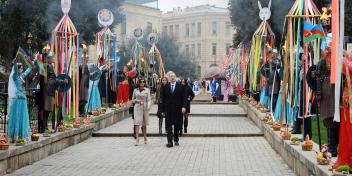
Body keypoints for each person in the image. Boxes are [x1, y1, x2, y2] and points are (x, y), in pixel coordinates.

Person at [316, 49, 339, 157]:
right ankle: (331, 147)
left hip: (334, 92)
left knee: (334, 121)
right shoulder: (322, 61)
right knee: (328, 120)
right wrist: (319, 93)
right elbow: (318, 77)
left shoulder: (336, 59)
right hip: (326, 93)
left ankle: (332, 147)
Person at [7, 59, 33, 142]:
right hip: (17, 101)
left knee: (23, 118)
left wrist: (34, 61)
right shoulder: (15, 77)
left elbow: (29, 70)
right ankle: (15, 136)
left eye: (22, 68)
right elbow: (14, 71)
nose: (22, 70)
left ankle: (22, 136)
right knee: (17, 117)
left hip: (23, 100)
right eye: (20, 68)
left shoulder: (21, 76)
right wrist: (14, 64)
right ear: (18, 69)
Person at [160, 72, 187, 147]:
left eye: (173, 76)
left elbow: (184, 98)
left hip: (178, 110)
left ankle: (176, 138)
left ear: (176, 77)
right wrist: (162, 110)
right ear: (169, 78)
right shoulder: (166, 87)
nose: (172, 78)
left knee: (177, 125)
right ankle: (169, 141)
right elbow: (163, 99)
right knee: (168, 126)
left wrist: (184, 107)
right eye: (171, 76)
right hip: (168, 110)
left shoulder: (181, 86)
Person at [132, 78, 151, 146]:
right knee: (137, 123)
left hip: (144, 108)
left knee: (144, 124)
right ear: (139, 83)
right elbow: (132, 100)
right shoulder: (135, 90)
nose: (142, 83)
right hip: (137, 108)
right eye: (141, 82)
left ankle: (145, 137)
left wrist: (148, 106)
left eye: (143, 82)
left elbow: (149, 99)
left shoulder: (147, 90)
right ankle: (137, 138)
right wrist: (137, 101)